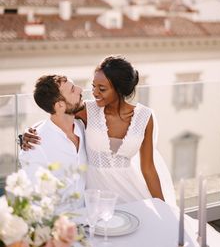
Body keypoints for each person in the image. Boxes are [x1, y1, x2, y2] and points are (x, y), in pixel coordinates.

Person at [22, 56, 176, 206]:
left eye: (102, 89)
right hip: (97, 200)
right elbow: (57, 113)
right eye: (94, 86)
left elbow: (148, 168)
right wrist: (29, 132)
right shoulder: (87, 111)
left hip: (134, 194)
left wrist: (163, 208)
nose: (95, 93)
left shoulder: (145, 117)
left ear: (119, 90)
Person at [19, 75, 87, 208]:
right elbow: (35, 200)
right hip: (58, 223)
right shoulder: (35, 145)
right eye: (73, 90)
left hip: (88, 217)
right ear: (60, 105)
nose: (80, 89)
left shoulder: (83, 127)